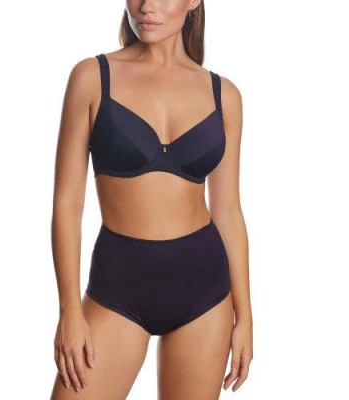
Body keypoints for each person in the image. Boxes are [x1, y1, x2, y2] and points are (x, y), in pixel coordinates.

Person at [50, 1, 253, 399]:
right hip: (117, 288)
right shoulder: (92, 78)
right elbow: (67, 205)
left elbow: (228, 211)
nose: (147, 6)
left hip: (204, 291)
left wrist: (244, 315)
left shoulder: (224, 95)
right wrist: (69, 310)